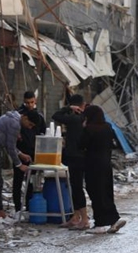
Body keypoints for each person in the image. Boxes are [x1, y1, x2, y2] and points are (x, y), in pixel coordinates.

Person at [0, 110, 35, 220]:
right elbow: (10, 148)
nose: (29, 127)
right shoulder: (15, 124)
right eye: (30, 124)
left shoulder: (14, 119)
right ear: (25, 117)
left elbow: (9, 143)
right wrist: (19, 165)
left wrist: (20, 154)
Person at [80, 105, 127, 234]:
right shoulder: (108, 127)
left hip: (93, 165)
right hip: (106, 164)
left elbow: (81, 144)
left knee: (95, 193)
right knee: (106, 192)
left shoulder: (89, 129)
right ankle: (113, 219)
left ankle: (100, 223)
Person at [52, 94, 89, 229]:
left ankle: (84, 219)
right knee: (75, 187)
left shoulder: (74, 119)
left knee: (77, 188)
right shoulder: (83, 118)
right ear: (82, 105)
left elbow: (55, 116)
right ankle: (75, 217)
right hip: (81, 156)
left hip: (75, 157)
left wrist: (68, 108)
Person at [12, 91, 46, 213]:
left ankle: (29, 206)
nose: (30, 105)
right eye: (27, 103)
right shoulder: (19, 115)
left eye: (32, 102)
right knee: (18, 180)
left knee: (32, 181)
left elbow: (42, 134)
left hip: (33, 153)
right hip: (20, 152)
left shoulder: (39, 117)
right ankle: (17, 207)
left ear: (35, 100)